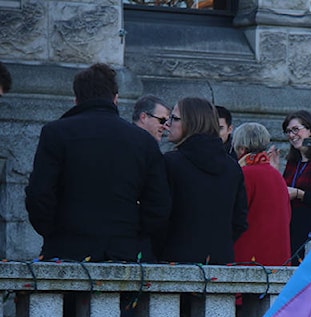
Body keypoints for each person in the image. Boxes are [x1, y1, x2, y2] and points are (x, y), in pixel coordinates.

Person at [25, 63, 170, 262]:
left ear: (76, 99)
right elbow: (158, 204)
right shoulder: (143, 141)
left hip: (66, 248)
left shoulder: (56, 133)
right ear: (115, 98)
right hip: (121, 250)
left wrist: (53, 232)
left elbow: (39, 194)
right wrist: (132, 234)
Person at [158, 96, 247, 264]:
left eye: (175, 118)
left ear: (192, 123)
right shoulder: (233, 167)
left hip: (175, 262)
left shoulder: (170, 163)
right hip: (219, 262)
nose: (167, 124)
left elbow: (159, 215)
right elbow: (239, 222)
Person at [232, 122, 291, 266]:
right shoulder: (276, 175)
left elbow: (235, 217)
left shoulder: (244, 175)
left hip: (248, 257)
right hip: (279, 257)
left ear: (241, 149)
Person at [281, 110, 311, 263]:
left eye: (296, 129)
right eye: (288, 131)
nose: (292, 135)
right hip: (293, 230)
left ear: (310, 130)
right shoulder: (292, 163)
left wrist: (300, 194)